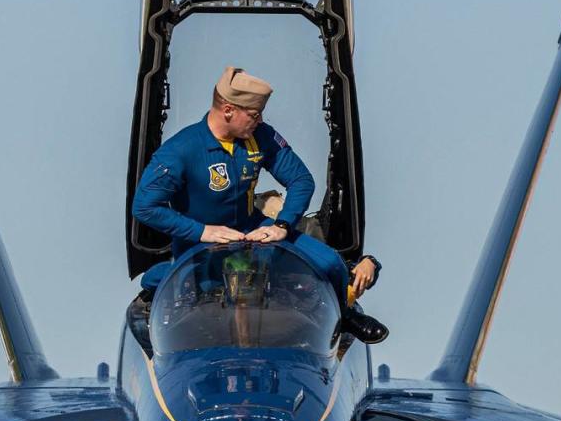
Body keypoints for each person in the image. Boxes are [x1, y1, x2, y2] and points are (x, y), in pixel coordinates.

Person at [131, 66, 387, 344]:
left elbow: (301, 180)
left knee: (330, 263)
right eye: (253, 115)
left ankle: (345, 315)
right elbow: (145, 207)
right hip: (198, 241)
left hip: (253, 228)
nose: (260, 120)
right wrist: (203, 231)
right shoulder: (180, 150)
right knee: (186, 286)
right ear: (228, 110)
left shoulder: (260, 136)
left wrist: (281, 225)